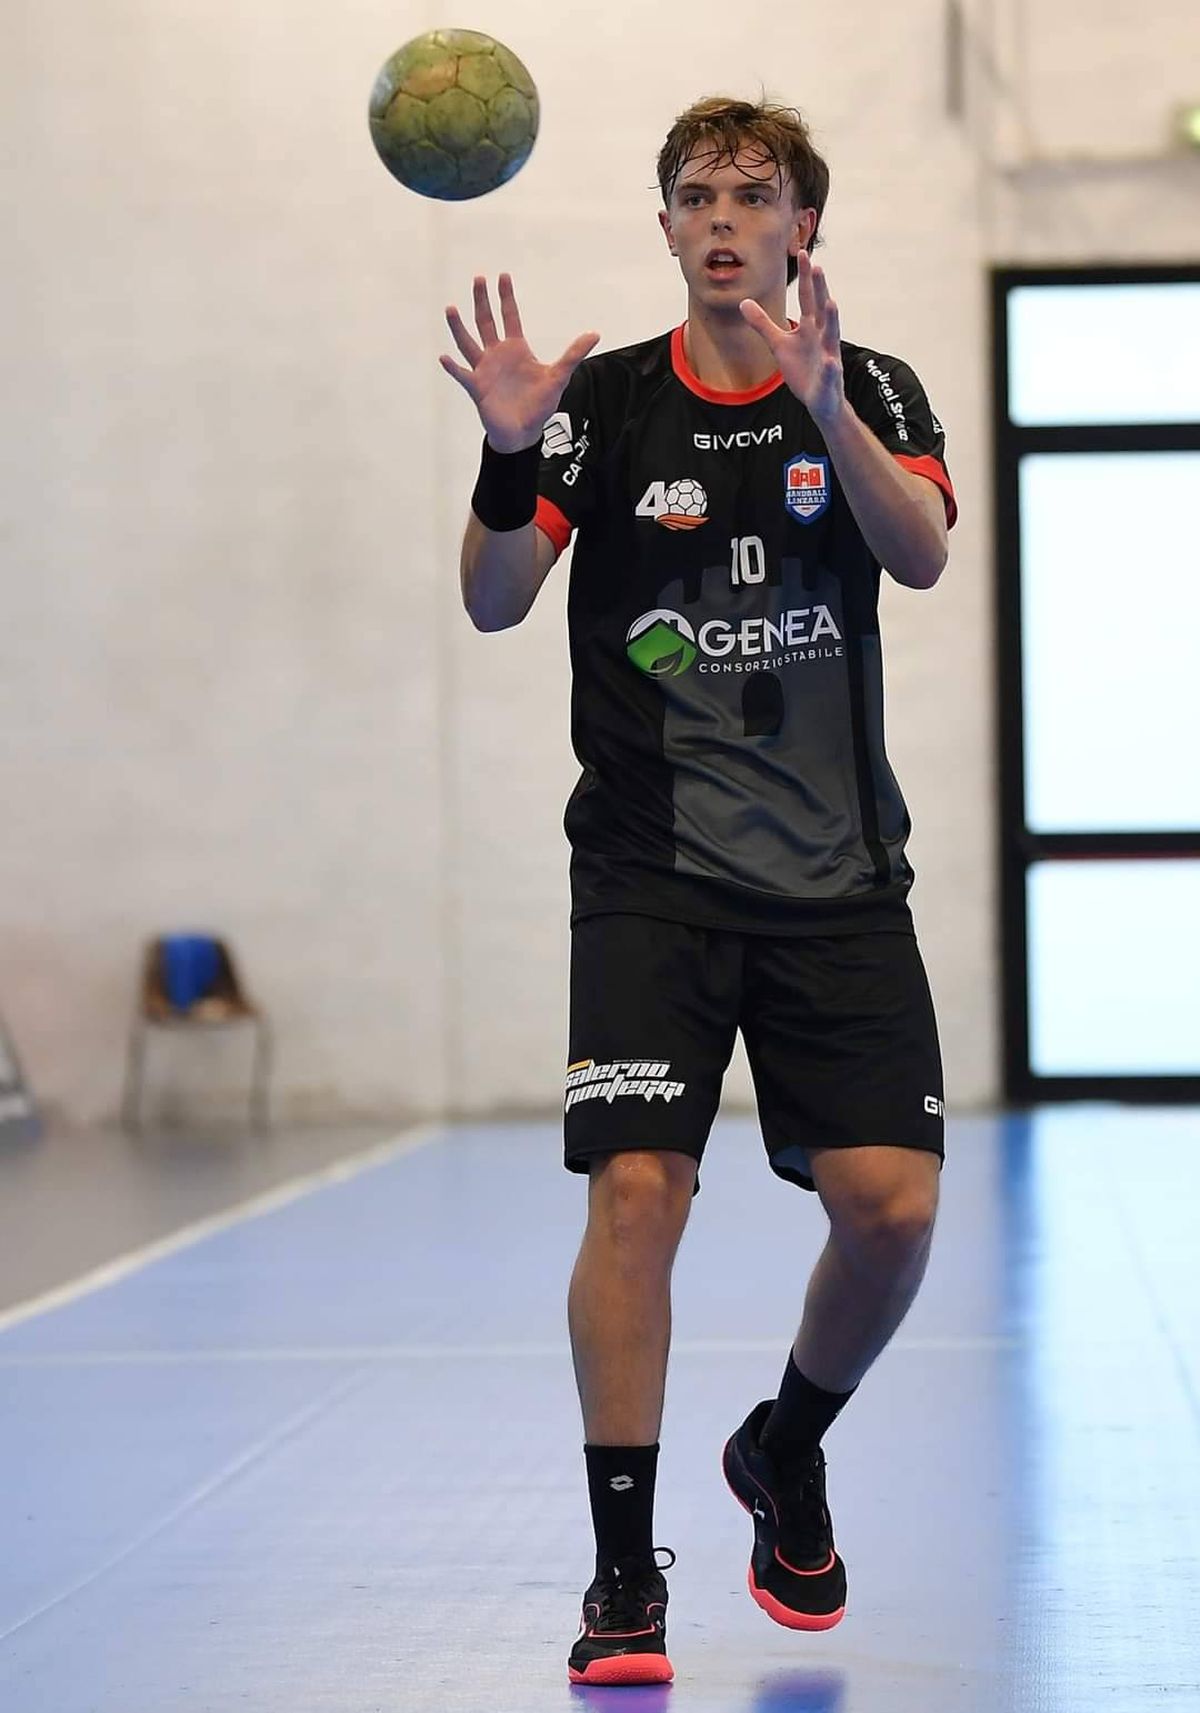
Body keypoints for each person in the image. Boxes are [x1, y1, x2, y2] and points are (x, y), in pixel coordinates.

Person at [440, 94, 955, 1688]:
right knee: (638, 1191)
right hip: (649, 875)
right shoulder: (599, 407)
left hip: (838, 878)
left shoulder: (868, 383)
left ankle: (785, 1444)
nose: (723, 219)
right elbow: (494, 598)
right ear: (664, 226)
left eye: (754, 193)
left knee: (893, 1207)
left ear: (805, 226)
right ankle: (622, 1578)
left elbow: (923, 551)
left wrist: (827, 415)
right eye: (696, 195)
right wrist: (508, 449)